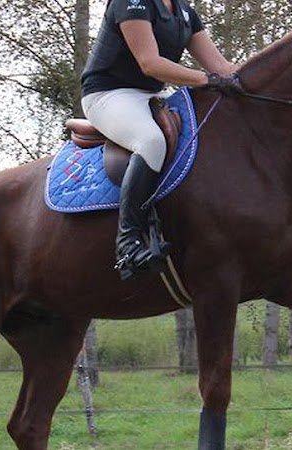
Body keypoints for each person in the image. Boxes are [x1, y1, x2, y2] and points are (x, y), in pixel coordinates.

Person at [81, 0, 240, 280]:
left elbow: (221, 67)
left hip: (150, 97)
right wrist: (207, 79)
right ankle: (128, 244)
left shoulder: (185, 13)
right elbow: (150, 63)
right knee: (151, 140)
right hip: (108, 95)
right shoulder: (131, 2)